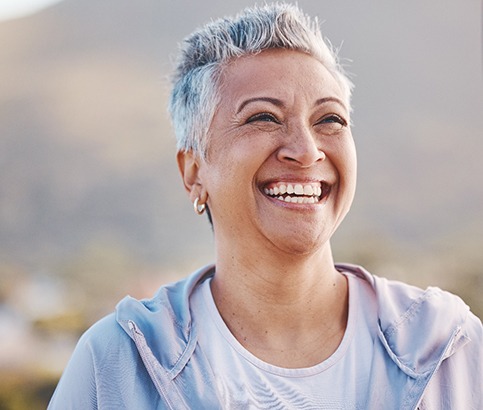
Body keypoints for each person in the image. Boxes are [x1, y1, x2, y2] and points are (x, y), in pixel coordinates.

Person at [49, 3, 482, 409]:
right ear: (193, 171)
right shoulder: (120, 363)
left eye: (329, 120)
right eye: (263, 118)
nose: (306, 150)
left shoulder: (448, 348)